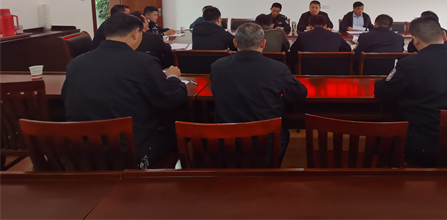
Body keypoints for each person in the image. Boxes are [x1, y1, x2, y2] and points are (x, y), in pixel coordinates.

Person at [61, 13, 188, 167]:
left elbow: (65, 98)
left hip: (83, 153)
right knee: (179, 131)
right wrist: (173, 77)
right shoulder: (143, 62)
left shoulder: (75, 64)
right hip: (130, 154)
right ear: (136, 33)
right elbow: (173, 97)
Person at [374, 16, 447, 167]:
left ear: (415, 40)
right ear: (444, 36)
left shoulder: (409, 64)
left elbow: (383, 93)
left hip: (426, 149)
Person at [210, 22, 307, 161]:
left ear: (235, 43)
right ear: (263, 43)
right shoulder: (278, 69)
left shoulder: (217, 67)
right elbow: (299, 93)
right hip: (266, 143)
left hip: (227, 142)